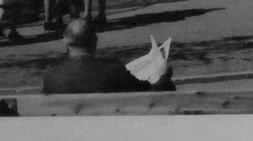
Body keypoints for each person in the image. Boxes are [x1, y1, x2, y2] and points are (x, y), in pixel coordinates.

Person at [42, 17, 176, 94]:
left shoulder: (51, 77)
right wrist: (164, 77)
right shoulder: (114, 72)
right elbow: (151, 94)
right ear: (94, 42)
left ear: (65, 43)